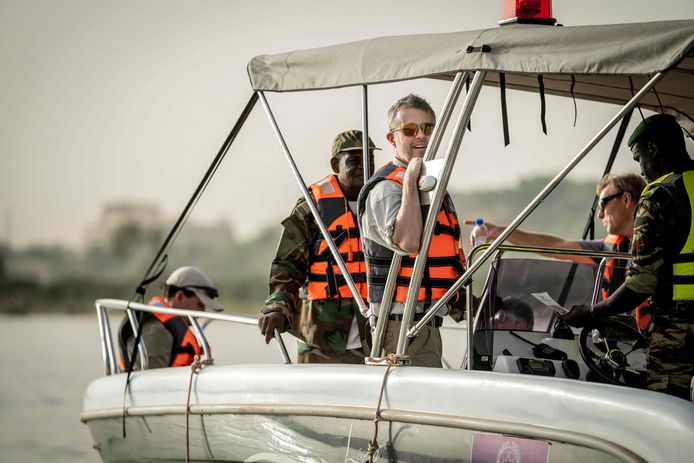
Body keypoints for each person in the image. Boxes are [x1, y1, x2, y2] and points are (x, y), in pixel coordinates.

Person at [561, 113, 694, 400]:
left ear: (654, 150)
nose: (642, 169)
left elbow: (641, 283)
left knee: (668, 416)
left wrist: (594, 313)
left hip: (677, 333)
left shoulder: (658, 197)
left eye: (639, 157)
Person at [358, 94, 467, 368]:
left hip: (425, 325)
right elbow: (407, 241)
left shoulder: (428, 185)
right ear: (392, 138)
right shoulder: (386, 188)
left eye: (428, 128)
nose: (421, 136)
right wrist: (409, 180)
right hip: (397, 330)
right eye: (409, 130)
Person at [469, 173, 649, 330]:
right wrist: (500, 232)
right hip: (620, 342)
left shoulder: (659, 245)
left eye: (603, 204)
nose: (600, 214)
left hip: (654, 346)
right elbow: (556, 246)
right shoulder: (608, 249)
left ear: (626, 200)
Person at [259, 130, 378, 364]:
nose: (363, 167)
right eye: (354, 161)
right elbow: (287, 265)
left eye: (369, 160)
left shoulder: (384, 202)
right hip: (319, 337)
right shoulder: (312, 207)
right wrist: (277, 306)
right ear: (335, 164)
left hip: (374, 337)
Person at [118, 266, 223, 370]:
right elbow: (150, 381)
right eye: (200, 304)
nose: (203, 312)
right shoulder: (157, 331)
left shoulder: (166, 327)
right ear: (180, 296)